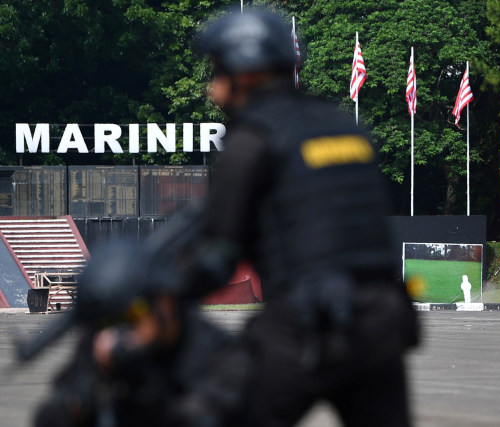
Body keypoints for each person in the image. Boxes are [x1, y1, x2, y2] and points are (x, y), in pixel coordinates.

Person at [189, 7, 419, 427]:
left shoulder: (251, 140)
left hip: (303, 324)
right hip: (381, 324)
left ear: (243, 75)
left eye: (217, 73)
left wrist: (147, 292)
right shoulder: (348, 129)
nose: (213, 90)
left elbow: (217, 257)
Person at [29, 241, 250, 427]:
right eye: (110, 321)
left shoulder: (221, 358)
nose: (121, 330)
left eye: (133, 315)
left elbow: (200, 416)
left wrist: (142, 387)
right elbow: (50, 416)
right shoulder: (101, 348)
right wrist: (88, 391)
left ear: (164, 303)